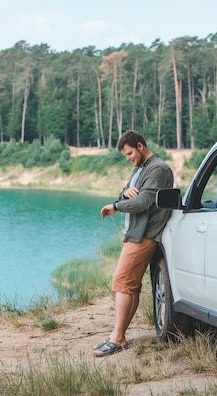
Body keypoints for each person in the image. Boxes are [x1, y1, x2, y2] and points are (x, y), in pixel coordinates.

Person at [94, 130, 174, 357]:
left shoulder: (158, 169)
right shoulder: (140, 169)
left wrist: (115, 206)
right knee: (131, 286)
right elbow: (127, 194)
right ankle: (118, 335)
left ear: (140, 146)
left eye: (129, 153)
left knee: (122, 283)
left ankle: (117, 338)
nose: (128, 158)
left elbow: (142, 202)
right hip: (133, 234)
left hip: (144, 236)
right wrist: (123, 194)